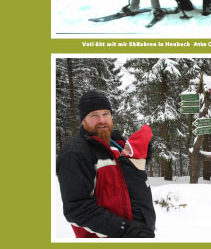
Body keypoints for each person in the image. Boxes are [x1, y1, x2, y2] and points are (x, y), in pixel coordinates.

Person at [56, 90, 156, 238]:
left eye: (105, 114)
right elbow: (76, 209)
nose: (102, 120)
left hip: (140, 234)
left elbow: (120, 183)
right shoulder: (75, 154)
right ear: (83, 120)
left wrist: (140, 160)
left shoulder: (117, 145)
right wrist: (123, 229)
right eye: (94, 115)